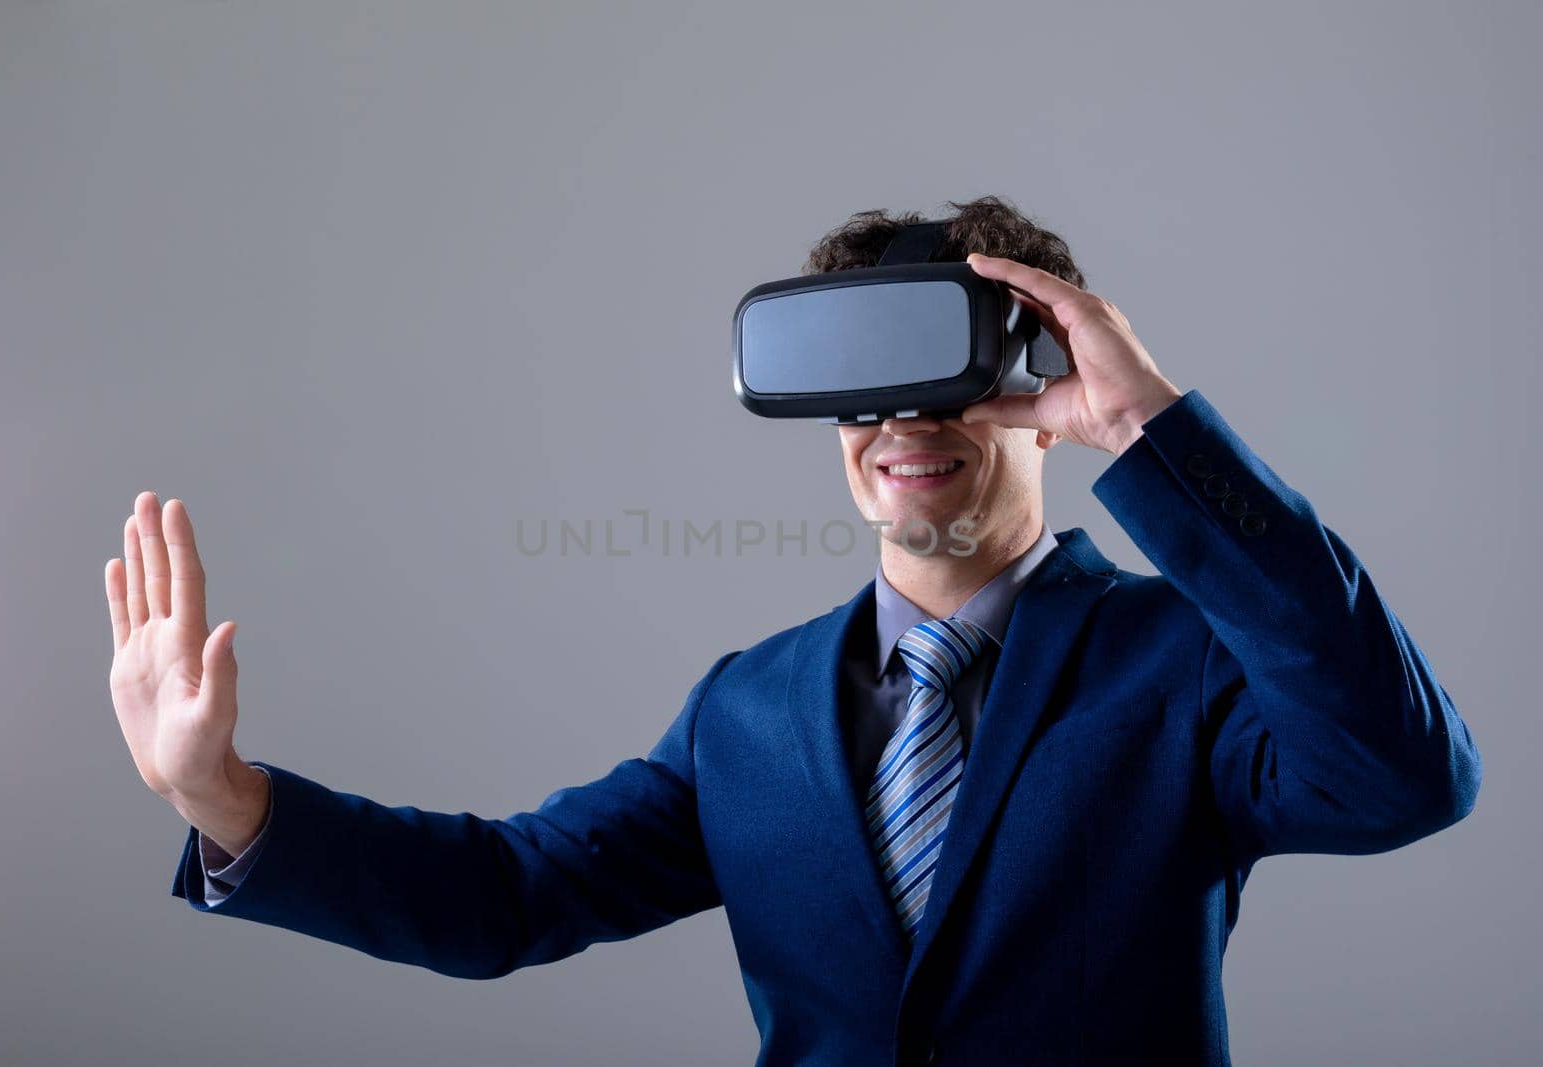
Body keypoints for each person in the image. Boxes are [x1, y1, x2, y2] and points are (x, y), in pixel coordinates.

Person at [104, 196, 1481, 1066]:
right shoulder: (744, 712)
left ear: (1037, 387)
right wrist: (224, 799)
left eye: (944, 387)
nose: (902, 431)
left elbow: (1405, 779)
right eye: (864, 398)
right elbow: (508, 900)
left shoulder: (1185, 660)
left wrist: (1147, 431)